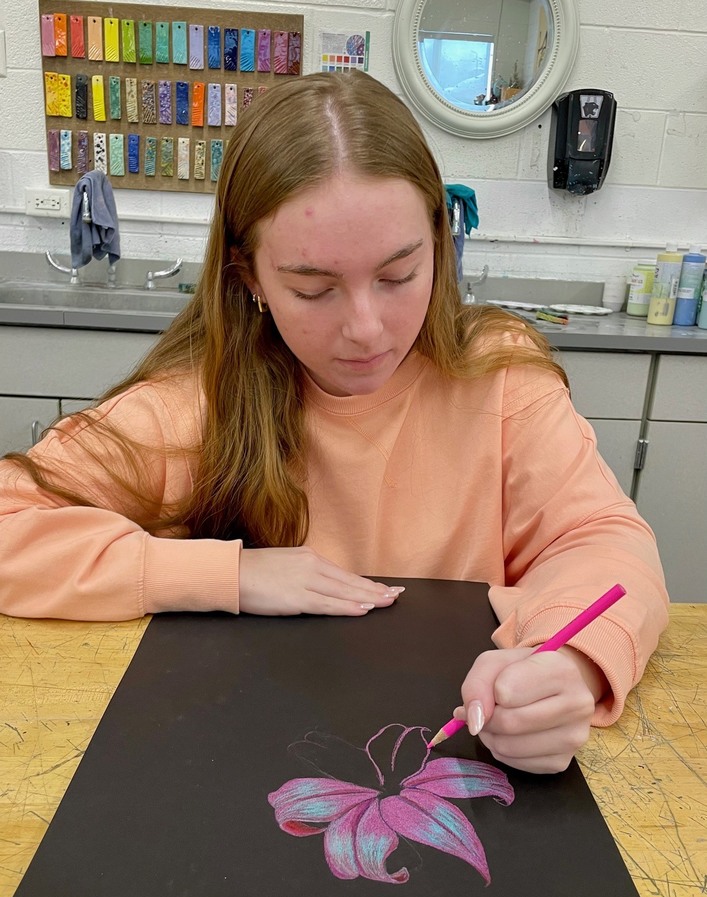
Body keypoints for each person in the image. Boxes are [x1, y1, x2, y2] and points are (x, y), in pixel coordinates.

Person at [0, 72, 668, 774]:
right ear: (249, 277)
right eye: (313, 289)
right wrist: (232, 575)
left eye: (398, 275)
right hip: (236, 765)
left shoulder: (499, 377)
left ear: (439, 244)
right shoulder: (191, 403)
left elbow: (601, 541)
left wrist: (570, 660)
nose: (365, 329)